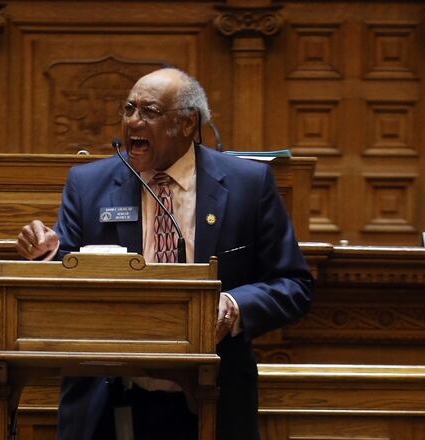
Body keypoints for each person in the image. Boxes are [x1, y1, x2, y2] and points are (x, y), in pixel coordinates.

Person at [16, 67, 313, 440]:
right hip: (109, 402)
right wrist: (46, 255)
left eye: (149, 112)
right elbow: (69, 275)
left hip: (212, 400)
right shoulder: (88, 184)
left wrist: (234, 306)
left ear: (188, 123)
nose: (133, 122)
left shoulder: (247, 186)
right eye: (128, 109)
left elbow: (293, 284)